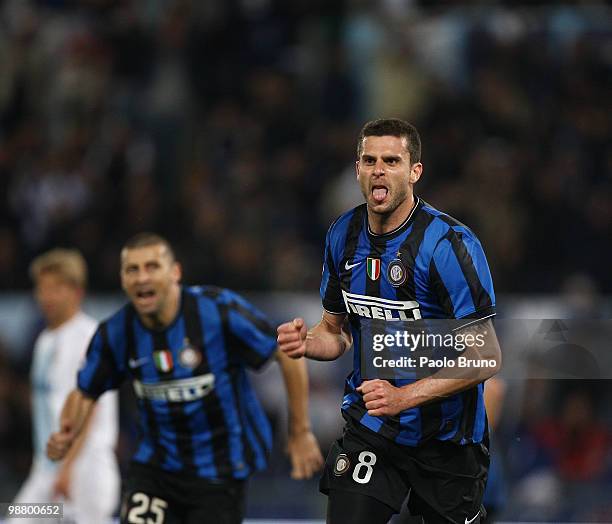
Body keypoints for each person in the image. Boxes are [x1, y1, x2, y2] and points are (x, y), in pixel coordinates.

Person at [277, 118, 501, 524]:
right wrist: (309, 342)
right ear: (358, 169)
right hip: (373, 429)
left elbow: (486, 355)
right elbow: (335, 332)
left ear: (415, 171)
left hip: (447, 442)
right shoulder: (341, 236)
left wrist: (405, 397)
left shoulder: (449, 245)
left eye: (392, 160)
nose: (379, 169)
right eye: (369, 160)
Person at [47, 233, 323, 524]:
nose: (142, 277)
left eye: (152, 267)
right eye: (133, 269)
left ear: (175, 272)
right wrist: (66, 432)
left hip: (220, 470)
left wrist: (300, 432)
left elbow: (285, 351)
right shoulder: (116, 332)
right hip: (156, 469)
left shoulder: (216, 311)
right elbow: (84, 392)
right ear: (123, 279)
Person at [10, 249, 120, 524]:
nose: (46, 297)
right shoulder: (46, 340)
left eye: (56, 289)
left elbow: (89, 406)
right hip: (47, 472)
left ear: (77, 291)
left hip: (84, 472)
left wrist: (68, 468)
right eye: (42, 289)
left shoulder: (87, 338)